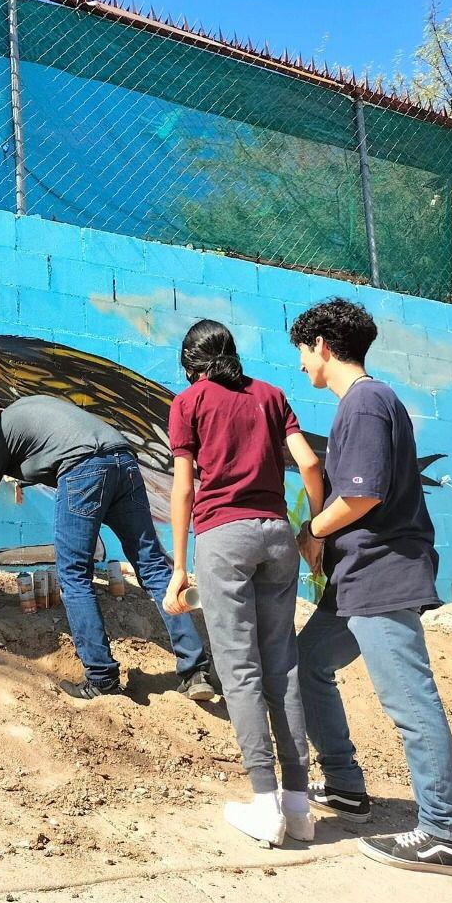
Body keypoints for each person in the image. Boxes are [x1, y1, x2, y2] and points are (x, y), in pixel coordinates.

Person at [288, 297, 452, 875]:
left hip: (382, 572)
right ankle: (344, 784)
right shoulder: (368, 403)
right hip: (357, 577)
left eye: (301, 352)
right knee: (307, 660)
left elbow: (363, 495)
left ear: (321, 346)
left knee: (410, 699)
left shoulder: (364, 402)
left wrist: (311, 531)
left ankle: (441, 832)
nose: (299, 366)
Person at [0, 394, 214, 701]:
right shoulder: (30, 408)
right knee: (154, 566)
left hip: (83, 469)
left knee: (74, 574)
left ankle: (101, 677)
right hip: (123, 460)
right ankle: (196, 671)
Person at [162, 320, 324, 846]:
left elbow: (184, 490)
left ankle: (264, 805)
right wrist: (315, 530)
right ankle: (299, 808)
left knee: (239, 667)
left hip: (223, 536)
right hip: (278, 535)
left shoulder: (189, 402)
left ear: (193, 364)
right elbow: (309, 462)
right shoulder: (272, 395)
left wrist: (180, 567)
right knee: (282, 661)